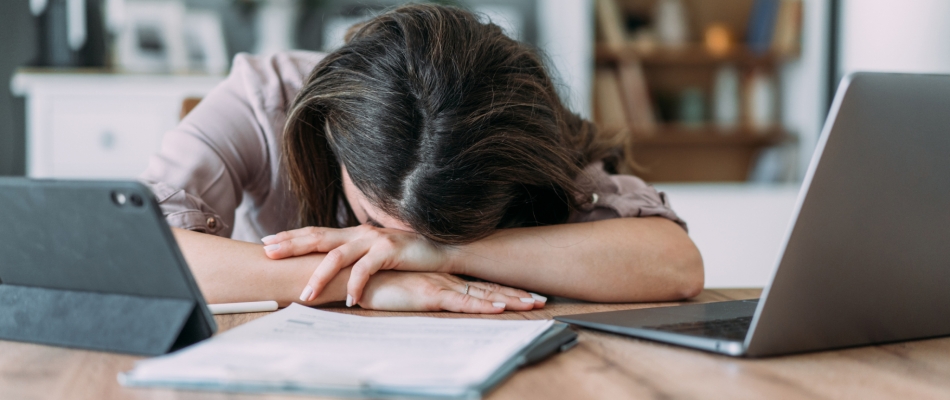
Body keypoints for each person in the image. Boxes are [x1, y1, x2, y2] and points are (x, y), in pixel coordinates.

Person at [141, 4, 703, 314]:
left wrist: (438, 254)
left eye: (437, 233)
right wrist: (374, 284)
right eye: (374, 223)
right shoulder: (264, 97)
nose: (392, 245)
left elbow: (674, 264)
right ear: (330, 139)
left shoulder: (510, 129)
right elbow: (143, 257)